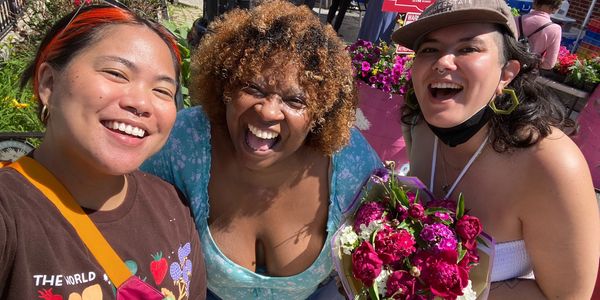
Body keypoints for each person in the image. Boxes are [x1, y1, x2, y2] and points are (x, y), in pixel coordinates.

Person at [141, 0, 382, 299]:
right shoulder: (184, 142)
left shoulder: (351, 163)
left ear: (321, 113)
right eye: (253, 89)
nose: (268, 112)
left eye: (295, 101)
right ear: (225, 85)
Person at [393, 0, 599, 298]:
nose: (442, 62)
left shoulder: (551, 165)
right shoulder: (418, 126)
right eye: (429, 49)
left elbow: (568, 296)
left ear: (507, 73)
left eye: (468, 49)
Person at [0, 4, 206, 299]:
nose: (141, 103)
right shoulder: (9, 215)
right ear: (48, 83)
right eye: (116, 73)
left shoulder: (172, 206)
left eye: (162, 90)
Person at [516, 0, 563, 70]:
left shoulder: (516, 19)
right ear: (555, 8)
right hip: (525, 73)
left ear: (535, 2)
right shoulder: (555, 29)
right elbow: (549, 64)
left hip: (502, 67)